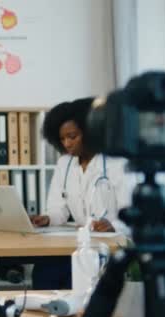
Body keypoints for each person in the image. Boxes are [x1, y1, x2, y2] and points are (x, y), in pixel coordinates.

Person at [29, 97, 136, 289]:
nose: (67, 144)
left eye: (72, 136)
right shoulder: (65, 164)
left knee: (76, 277)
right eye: (62, 139)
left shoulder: (117, 162)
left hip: (106, 248)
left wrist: (113, 225)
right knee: (45, 270)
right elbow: (58, 211)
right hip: (75, 245)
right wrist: (47, 218)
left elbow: (132, 215)